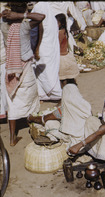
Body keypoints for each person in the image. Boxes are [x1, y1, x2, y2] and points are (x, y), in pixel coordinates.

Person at [1, 3, 44, 146]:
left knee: (13, 103)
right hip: (24, 68)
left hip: (11, 68)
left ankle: (12, 138)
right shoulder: (25, 26)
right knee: (31, 99)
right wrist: (22, 16)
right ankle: (33, 126)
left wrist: (10, 15)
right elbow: (41, 17)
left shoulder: (3, 25)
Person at [31, 2, 62, 101]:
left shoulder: (39, 6)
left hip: (43, 44)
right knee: (44, 70)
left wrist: (36, 47)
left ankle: (55, 92)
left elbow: (40, 27)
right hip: (48, 43)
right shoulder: (46, 7)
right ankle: (43, 93)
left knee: (45, 70)